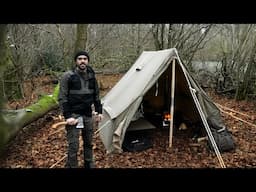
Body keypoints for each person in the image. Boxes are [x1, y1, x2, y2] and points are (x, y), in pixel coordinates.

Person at [58, 50, 103, 168]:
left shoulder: (92, 75)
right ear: (76, 61)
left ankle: (89, 163)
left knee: (88, 142)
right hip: (74, 115)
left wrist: (99, 111)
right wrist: (68, 116)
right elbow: (62, 97)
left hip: (88, 115)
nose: (82, 61)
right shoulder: (68, 76)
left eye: (85, 59)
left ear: (88, 61)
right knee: (74, 145)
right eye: (80, 59)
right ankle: (72, 166)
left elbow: (96, 95)